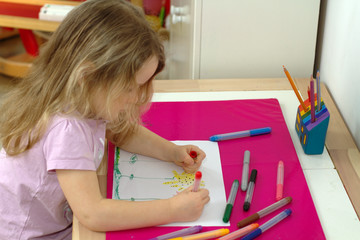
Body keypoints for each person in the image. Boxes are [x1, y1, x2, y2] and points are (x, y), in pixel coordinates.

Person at [0, 0, 210, 239]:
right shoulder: (67, 128)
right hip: (27, 233)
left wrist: (172, 152)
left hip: (54, 218)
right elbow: (93, 214)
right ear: (88, 76)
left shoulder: (81, 95)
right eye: (131, 88)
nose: (136, 98)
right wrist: (172, 209)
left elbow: (121, 132)